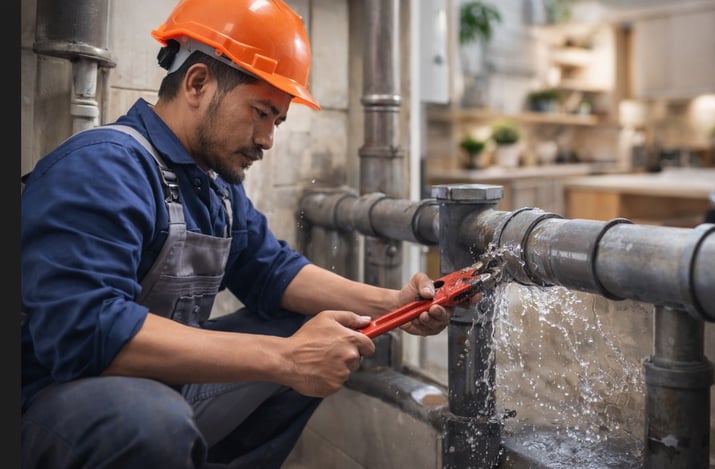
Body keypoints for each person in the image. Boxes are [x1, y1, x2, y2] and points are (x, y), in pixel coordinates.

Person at [20, 1, 450, 467]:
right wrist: (285, 359)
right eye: (260, 112)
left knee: (325, 334)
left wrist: (392, 304)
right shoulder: (103, 167)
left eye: (276, 122)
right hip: (50, 402)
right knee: (149, 420)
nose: (267, 139)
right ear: (198, 83)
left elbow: (272, 272)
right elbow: (86, 333)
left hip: (154, 386)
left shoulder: (215, 185)